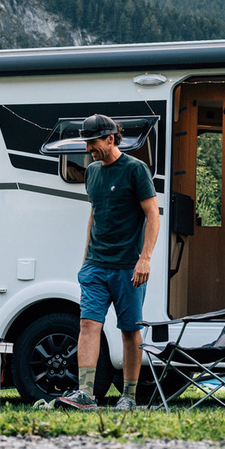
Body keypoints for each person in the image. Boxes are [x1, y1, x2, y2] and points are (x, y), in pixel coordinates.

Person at [54, 113, 159, 411]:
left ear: (111, 138)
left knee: (129, 329)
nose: (89, 148)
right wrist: (86, 259)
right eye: (87, 143)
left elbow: (153, 214)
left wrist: (145, 259)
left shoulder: (136, 170)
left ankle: (128, 395)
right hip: (96, 266)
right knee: (88, 324)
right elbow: (94, 215)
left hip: (129, 267)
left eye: (93, 142)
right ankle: (85, 393)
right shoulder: (92, 173)